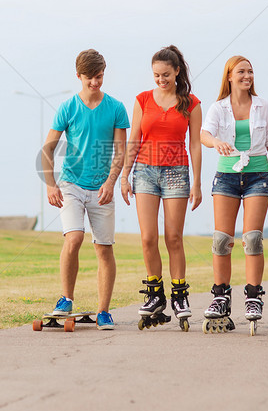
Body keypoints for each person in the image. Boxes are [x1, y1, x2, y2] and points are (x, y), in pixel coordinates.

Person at [200, 55, 268, 334]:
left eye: (250, 71)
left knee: (252, 239)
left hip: (257, 176)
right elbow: (204, 134)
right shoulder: (218, 107)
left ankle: (252, 296)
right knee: (222, 240)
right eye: (241, 71)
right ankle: (221, 297)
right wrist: (216, 142)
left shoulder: (263, 106)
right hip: (226, 176)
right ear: (229, 76)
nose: (247, 76)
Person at [41, 49, 130, 330]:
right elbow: (48, 149)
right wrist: (50, 185)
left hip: (102, 188)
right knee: (74, 238)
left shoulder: (116, 108)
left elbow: (120, 152)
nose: (95, 82)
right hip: (71, 185)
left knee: (104, 249)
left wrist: (111, 182)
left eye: (100, 76)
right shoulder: (68, 108)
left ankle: (104, 311)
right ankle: (66, 299)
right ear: (78, 76)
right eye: (90, 77)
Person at [120, 45, 203, 331]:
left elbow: (194, 144)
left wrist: (198, 182)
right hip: (144, 172)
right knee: (147, 238)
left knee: (174, 237)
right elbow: (134, 139)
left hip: (177, 173)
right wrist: (124, 176)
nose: (160, 80)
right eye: (156, 75)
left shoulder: (190, 103)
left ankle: (179, 296)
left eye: (165, 74)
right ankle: (155, 295)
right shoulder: (143, 100)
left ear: (177, 71)